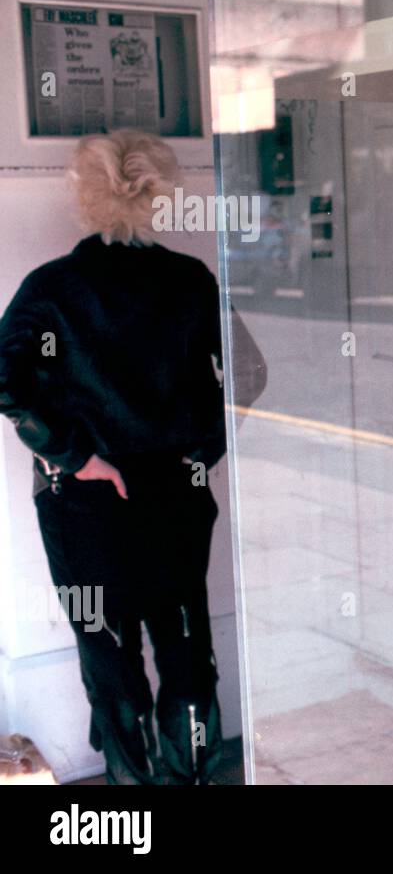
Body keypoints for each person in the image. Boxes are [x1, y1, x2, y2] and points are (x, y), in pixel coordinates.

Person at [0, 129, 265, 783]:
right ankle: (189, 776)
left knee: (108, 654)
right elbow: (248, 373)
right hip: (174, 496)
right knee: (184, 648)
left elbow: (7, 382)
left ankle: (130, 796)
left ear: (84, 196)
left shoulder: (52, 288)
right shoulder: (189, 280)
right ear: (159, 193)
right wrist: (198, 453)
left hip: (83, 503)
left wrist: (75, 456)